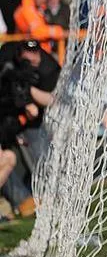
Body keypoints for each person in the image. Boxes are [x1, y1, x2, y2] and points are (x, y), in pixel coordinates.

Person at [0, 39, 60, 217]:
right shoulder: (8, 57)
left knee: (26, 157)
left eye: (34, 52)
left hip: (29, 119)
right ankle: (20, 200)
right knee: (7, 158)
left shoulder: (49, 68)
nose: (30, 57)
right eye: (27, 52)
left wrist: (30, 93)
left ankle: (41, 199)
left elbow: (52, 100)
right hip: (5, 113)